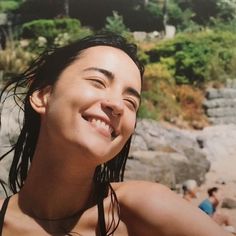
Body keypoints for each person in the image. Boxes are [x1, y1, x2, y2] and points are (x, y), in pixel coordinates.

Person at [0, 32, 231, 236]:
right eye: (98, 81)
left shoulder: (143, 211)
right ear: (42, 95)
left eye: (130, 102)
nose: (118, 105)